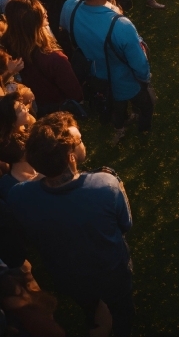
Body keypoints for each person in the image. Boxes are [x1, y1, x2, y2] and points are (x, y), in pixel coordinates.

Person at [8, 112, 135, 336]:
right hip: (112, 271)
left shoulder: (18, 195)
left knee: (89, 306)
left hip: (68, 276)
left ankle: (93, 321)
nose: (82, 141)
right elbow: (125, 224)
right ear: (71, 157)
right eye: (79, 140)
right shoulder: (106, 185)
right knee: (121, 310)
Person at [60, 0, 153, 144]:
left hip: (96, 74)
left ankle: (120, 128)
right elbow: (139, 63)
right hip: (125, 79)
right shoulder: (121, 26)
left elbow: (65, 29)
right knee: (146, 104)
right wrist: (145, 78)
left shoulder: (69, 6)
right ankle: (143, 131)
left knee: (115, 105)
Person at [3, 0, 83, 116]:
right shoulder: (54, 59)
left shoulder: (5, 50)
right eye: (41, 12)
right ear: (34, 23)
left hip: (27, 110)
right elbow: (76, 95)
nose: (45, 12)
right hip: (56, 112)